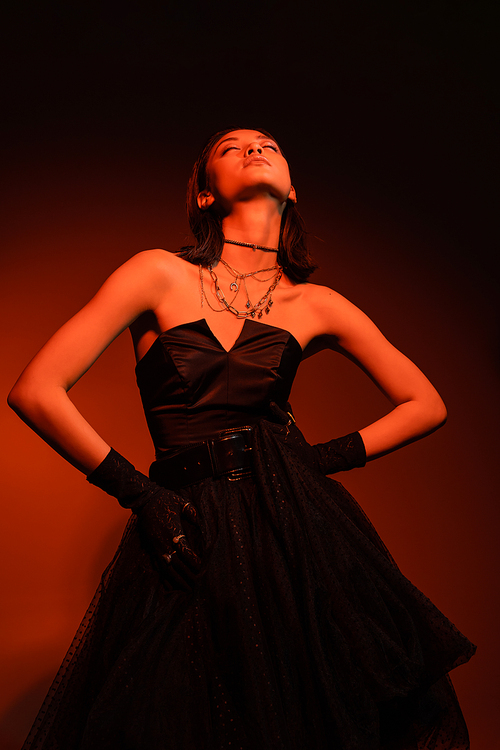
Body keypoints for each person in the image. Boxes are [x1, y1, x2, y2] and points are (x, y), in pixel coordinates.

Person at [8, 128, 475, 750]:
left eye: (269, 145)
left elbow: (426, 404)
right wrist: (140, 495)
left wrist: (312, 463)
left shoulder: (316, 303)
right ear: (204, 197)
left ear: (293, 191)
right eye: (232, 147)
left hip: (293, 530)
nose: (254, 147)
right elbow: (35, 389)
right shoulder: (156, 274)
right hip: (187, 526)